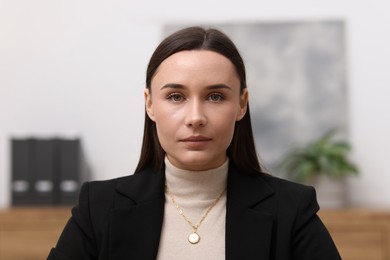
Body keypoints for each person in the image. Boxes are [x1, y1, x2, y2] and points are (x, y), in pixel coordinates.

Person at [47, 26, 341, 260]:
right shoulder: (97, 207)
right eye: (176, 97)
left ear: (242, 104)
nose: (196, 117)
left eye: (216, 96)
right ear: (150, 105)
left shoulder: (292, 210)